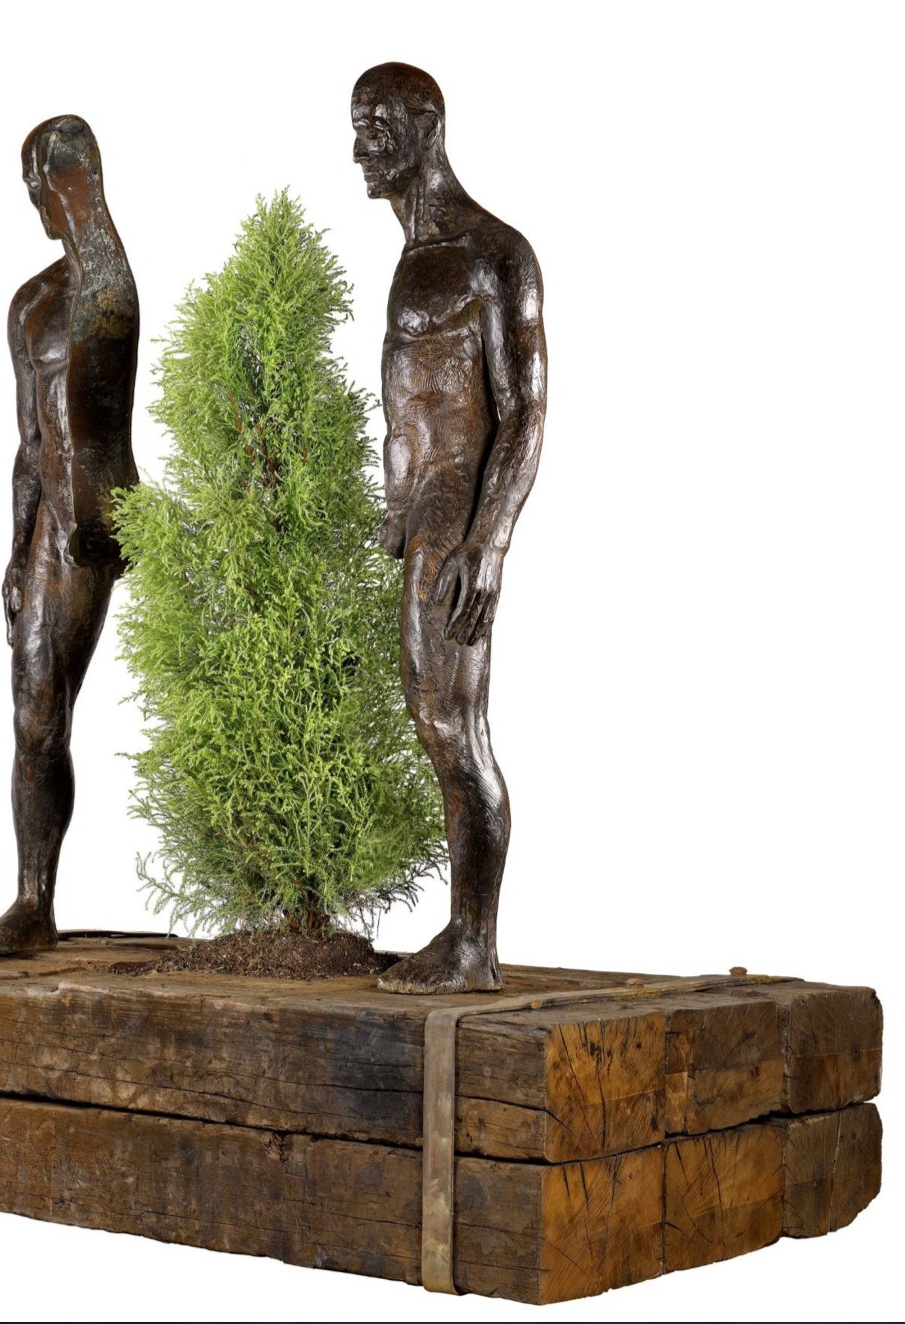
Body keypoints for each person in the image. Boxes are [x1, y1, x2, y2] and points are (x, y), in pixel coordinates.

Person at [352, 65, 548, 993]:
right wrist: (395, 514)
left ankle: (474, 943)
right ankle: (466, 937)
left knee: (452, 726)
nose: (360, 148)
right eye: (357, 127)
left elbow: (525, 411)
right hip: (423, 524)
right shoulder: (411, 257)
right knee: (433, 721)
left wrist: (487, 543)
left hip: (459, 524)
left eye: (378, 127)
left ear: (428, 126)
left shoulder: (493, 253)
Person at [0, 116, 138, 956]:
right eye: (30, 185)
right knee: (33, 716)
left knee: (42, 712)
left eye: (45, 183)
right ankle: (33, 900)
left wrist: (76, 179)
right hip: (48, 528)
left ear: (74, 182)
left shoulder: (108, 283)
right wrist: (13, 545)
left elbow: (104, 270)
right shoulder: (31, 304)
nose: (35, 200)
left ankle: (34, 901)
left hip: (98, 525)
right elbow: (30, 442)